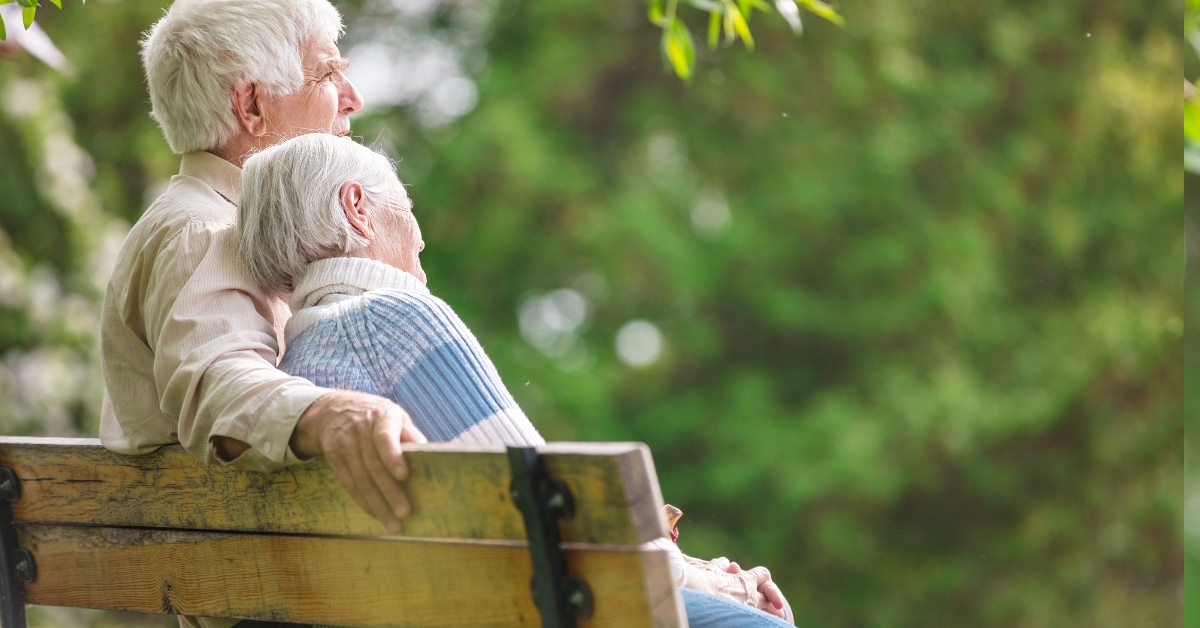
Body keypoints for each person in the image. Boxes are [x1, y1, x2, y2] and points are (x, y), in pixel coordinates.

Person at [238, 133, 796, 627]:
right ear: (358, 208)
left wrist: (692, 568)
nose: (421, 238)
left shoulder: (297, 359)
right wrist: (723, 583)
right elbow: (559, 517)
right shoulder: (395, 318)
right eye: (406, 209)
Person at [98, 2, 422, 626]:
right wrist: (329, 411)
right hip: (271, 602)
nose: (353, 97)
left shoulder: (221, 226)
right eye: (328, 75)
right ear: (251, 108)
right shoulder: (206, 232)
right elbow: (218, 380)